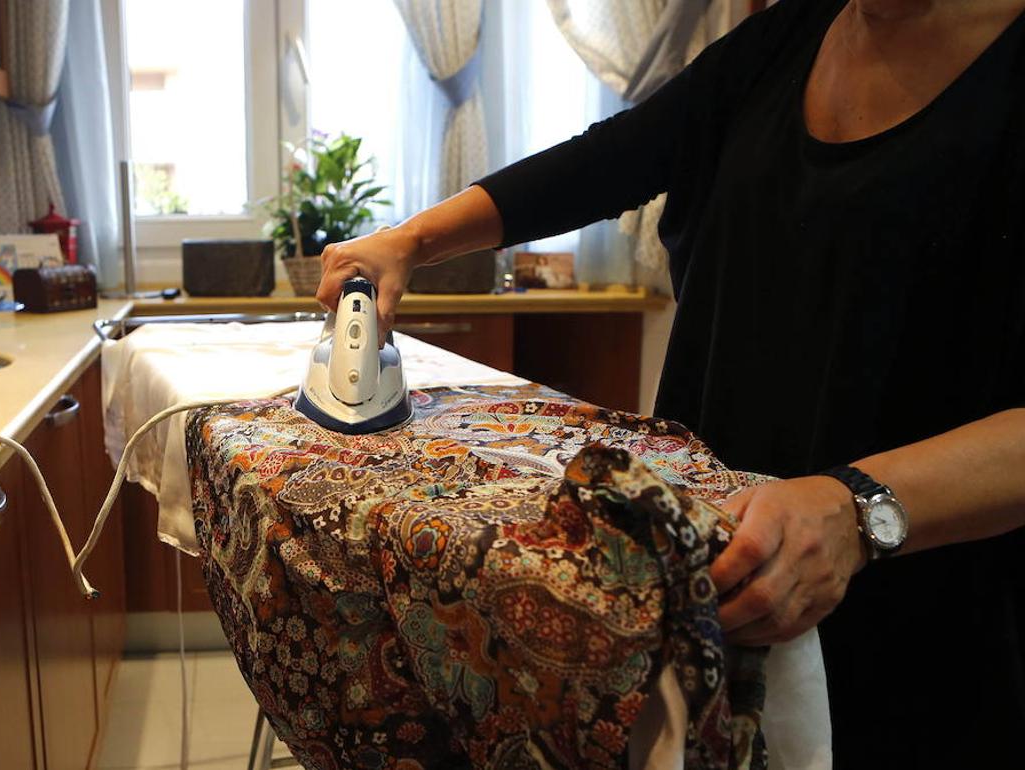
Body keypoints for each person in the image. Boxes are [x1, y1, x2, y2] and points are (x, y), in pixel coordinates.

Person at [314, 0, 1025, 766]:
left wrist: (858, 511)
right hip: (719, 586)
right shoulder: (786, 40)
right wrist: (409, 241)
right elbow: (606, 161)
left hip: (928, 629)